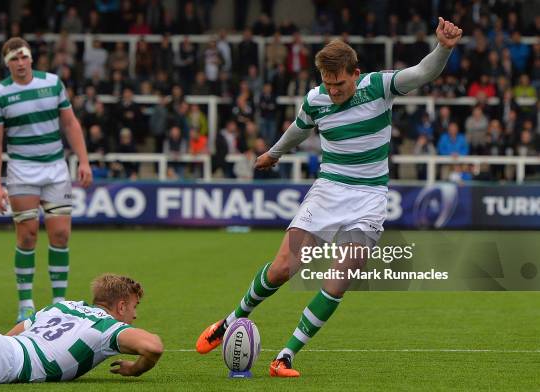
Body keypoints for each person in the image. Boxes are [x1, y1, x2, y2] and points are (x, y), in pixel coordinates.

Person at [196, 17, 463, 377]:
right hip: (328, 192)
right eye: (328, 83)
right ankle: (231, 321)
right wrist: (274, 154)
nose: (333, 91)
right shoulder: (316, 99)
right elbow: (297, 130)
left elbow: (422, 73)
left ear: (356, 73)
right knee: (282, 270)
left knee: (340, 278)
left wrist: (443, 48)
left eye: (339, 83)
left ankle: (286, 356)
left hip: (369, 199)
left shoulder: (380, 86)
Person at [0, 37, 92, 323]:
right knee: (27, 235)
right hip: (22, 171)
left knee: (60, 235)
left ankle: (59, 303)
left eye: (23, 57)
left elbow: (70, 123)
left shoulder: (52, 83)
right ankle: (26, 303)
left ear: (31, 58)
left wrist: (83, 160)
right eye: (13, 60)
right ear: (6, 64)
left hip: (56, 169)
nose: (20, 64)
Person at [0, 274, 163, 385]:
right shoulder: (108, 328)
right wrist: (135, 369)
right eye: (134, 307)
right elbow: (153, 347)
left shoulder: (62, 306)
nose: (135, 315)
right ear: (121, 306)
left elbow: (12, 335)